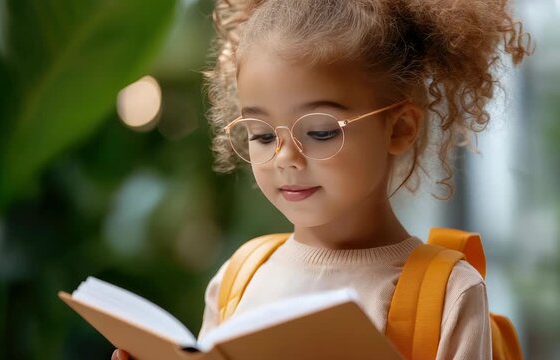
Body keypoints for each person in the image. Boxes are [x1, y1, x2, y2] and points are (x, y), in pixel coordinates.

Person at [112, 0, 532, 359]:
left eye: (320, 132)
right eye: (261, 135)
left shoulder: (446, 294)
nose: (286, 158)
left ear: (400, 128)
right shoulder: (240, 276)